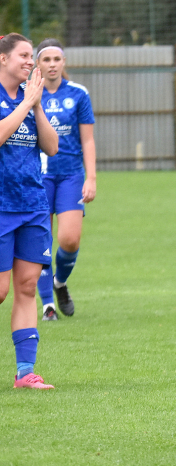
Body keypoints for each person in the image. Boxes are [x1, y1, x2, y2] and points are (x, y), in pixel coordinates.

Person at [0, 33, 59, 389]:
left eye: (31, 56)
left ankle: (25, 373)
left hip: (33, 206)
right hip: (1, 207)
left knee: (25, 287)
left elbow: (51, 147)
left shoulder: (29, 98)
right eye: (23, 55)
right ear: (2, 59)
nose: (30, 61)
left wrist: (35, 105)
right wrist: (25, 104)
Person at [32, 38, 96, 321]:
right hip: (38, 176)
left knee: (69, 240)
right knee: (41, 241)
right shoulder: (27, 94)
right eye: (46, 60)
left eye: (57, 59)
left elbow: (88, 140)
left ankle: (59, 283)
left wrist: (91, 177)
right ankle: (48, 305)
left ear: (64, 62)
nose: (52, 64)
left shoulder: (78, 94)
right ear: (38, 64)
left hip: (71, 175)